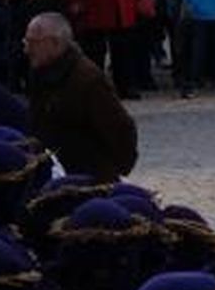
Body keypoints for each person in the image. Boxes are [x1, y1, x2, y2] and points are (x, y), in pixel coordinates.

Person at [23, 11, 138, 180]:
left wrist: (109, 171)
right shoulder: (39, 73)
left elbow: (121, 129)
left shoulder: (87, 79)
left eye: (32, 42)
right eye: (26, 41)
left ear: (55, 43)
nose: (27, 49)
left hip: (87, 177)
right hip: (53, 171)